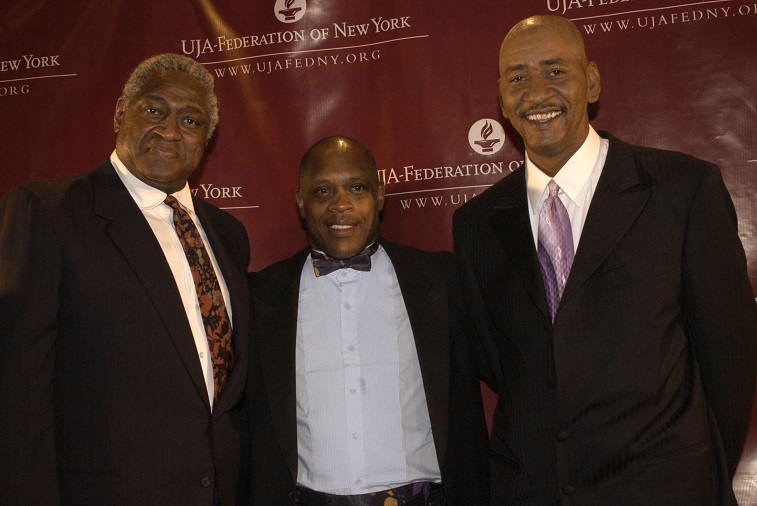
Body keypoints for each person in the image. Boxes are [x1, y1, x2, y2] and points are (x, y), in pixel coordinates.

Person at [452, 14, 757, 505]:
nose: (536, 93)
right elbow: (500, 363)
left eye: (555, 71)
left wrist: (692, 469)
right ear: (501, 98)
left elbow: (729, 356)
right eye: (517, 78)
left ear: (591, 80)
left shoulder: (681, 190)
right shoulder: (475, 224)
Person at [0, 53, 250, 505]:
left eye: (191, 120)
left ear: (207, 139)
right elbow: (16, 395)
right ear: (120, 112)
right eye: (155, 111)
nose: (170, 130)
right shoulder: (50, 212)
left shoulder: (228, 235)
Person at [242, 136, 489, 505]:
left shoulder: (443, 281)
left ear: (380, 194)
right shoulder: (261, 296)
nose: (341, 205)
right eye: (323, 190)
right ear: (300, 201)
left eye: (357, 188)